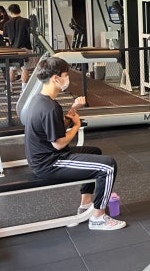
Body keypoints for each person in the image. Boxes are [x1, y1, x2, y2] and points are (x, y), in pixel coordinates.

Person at [23, 57, 126, 231]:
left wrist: (73, 110)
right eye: (66, 75)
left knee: (95, 151)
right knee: (108, 166)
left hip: (47, 156)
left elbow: (55, 130)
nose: (67, 79)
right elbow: (58, 143)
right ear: (56, 78)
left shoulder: (41, 100)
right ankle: (98, 218)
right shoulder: (49, 107)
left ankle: (86, 204)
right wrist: (76, 126)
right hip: (49, 163)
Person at [3, 3, 34, 83]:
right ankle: (24, 87)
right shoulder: (26, 21)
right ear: (19, 10)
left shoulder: (7, 24)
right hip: (25, 47)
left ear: (10, 12)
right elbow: (32, 33)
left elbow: (6, 38)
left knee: (12, 68)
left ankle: (9, 87)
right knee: (25, 68)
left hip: (13, 49)